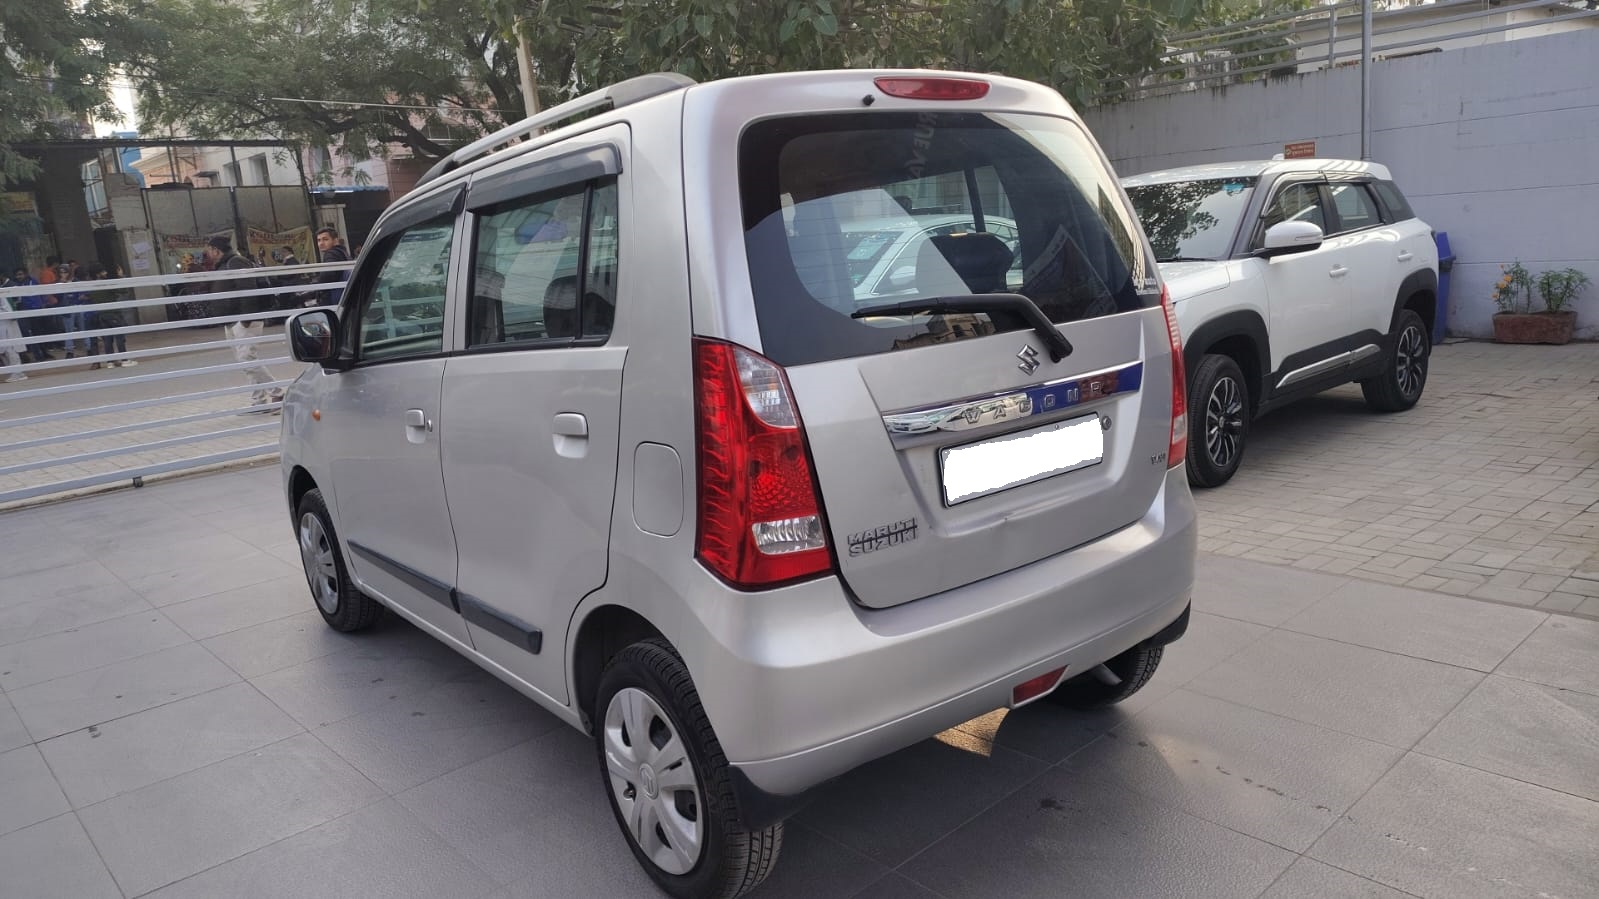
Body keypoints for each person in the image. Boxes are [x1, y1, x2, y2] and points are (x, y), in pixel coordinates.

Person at [204, 235, 281, 410]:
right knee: (245, 362)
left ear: (216, 250)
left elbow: (248, 290)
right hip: (231, 320)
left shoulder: (236, 262)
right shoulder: (223, 265)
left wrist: (246, 320)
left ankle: (277, 393)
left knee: (247, 359)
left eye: (209, 250)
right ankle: (259, 401)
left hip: (244, 320)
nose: (207, 253)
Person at [86, 263, 135, 369]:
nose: (106, 273)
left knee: (107, 339)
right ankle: (125, 360)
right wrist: (121, 276)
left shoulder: (91, 286)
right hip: (113, 314)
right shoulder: (106, 284)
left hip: (102, 315)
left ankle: (110, 362)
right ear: (98, 274)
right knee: (119, 338)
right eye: (103, 271)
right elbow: (123, 290)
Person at [311, 227, 349, 306]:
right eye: (319, 240)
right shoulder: (342, 252)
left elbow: (328, 273)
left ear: (335, 241)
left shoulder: (331, 253)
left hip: (333, 299)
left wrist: (318, 283)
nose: (321, 243)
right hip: (342, 296)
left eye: (325, 239)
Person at [1, 272, 29, 381]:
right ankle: (13, 372)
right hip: (3, 324)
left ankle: (18, 373)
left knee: (10, 349)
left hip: (6, 324)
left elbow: (9, 310)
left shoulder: (2, 293)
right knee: (4, 350)